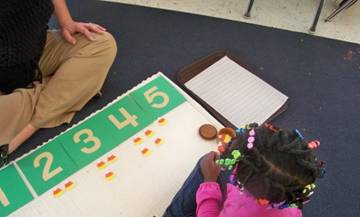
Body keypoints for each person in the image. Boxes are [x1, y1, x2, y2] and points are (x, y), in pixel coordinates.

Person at [0, 0, 117, 167]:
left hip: (36, 53)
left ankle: (24, 130)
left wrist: (66, 21)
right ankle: (59, 92)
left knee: (102, 44)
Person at [163, 123, 326, 217]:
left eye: (237, 164)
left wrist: (209, 182)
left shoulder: (238, 211)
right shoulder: (291, 205)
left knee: (205, 165)